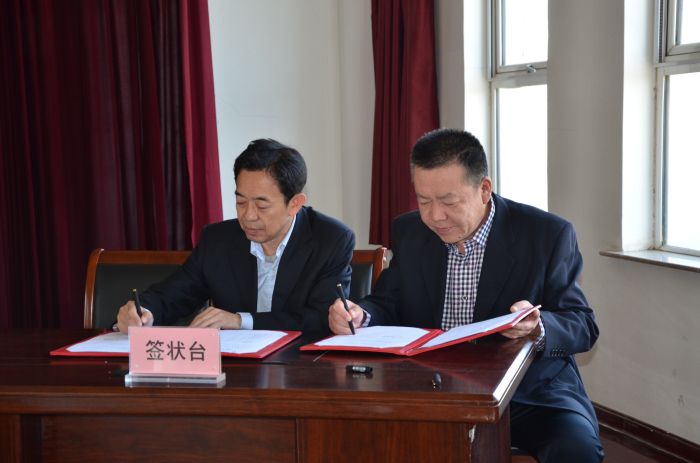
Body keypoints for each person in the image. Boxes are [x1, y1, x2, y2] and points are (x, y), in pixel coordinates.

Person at [328, 128, 603, 462]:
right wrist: (361, 314)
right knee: (348, 435)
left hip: (525, 393)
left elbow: (582, 324)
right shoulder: (410, 230)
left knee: (575, 449)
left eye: (449, 201)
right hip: (428, 388)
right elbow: (389, 301)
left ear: (484, 189)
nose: (435, 216)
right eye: (424, 201)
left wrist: (537, 326)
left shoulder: (545, 234)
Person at [117, 138, 354, 335]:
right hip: (234, 370)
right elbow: (174, 294)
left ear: (295, 204)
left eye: (261, 205)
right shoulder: (217, 240)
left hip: (300, 369)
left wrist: (241, 321)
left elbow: (321, 318)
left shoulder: (331, 240)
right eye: (241, 202)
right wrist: (144, 311)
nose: (248, 216)